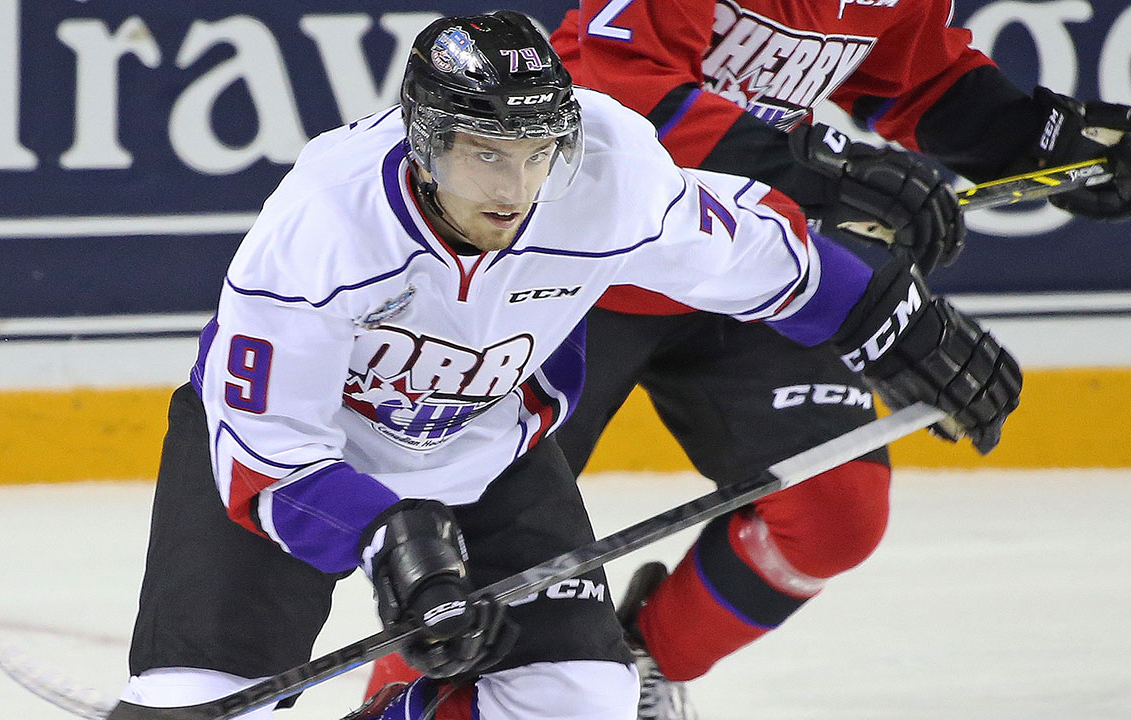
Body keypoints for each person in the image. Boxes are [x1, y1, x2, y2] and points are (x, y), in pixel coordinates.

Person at [110, 11, 1020, 720]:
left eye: (536, 154)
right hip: (311, 465)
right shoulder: (321, 225)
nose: (513, 190)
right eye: (485, 157)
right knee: (198, 697)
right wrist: (391, 539)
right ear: (427, 144)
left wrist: (891, 318)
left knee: (581, 696)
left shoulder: (606, 176)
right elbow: (263, 450)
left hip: (485, 447)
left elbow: (751, 249)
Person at [362, 2, 1131, 718]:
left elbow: (913, 74)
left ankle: (636, 665)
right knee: (472, 561)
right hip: (580, 277)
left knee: (837, 513)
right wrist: (813, 165)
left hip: (749, 270)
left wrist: (1026, 137)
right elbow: (609, 89)